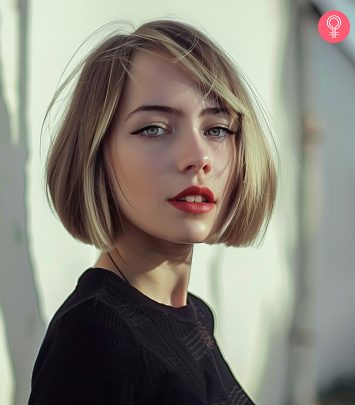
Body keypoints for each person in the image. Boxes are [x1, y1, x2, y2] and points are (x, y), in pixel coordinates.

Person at [28, 18, 277, 404]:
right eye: (154, 129)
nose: (199, 157)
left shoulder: (195, 315)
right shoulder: (94, 335)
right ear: (95, 152)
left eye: (217, 129)